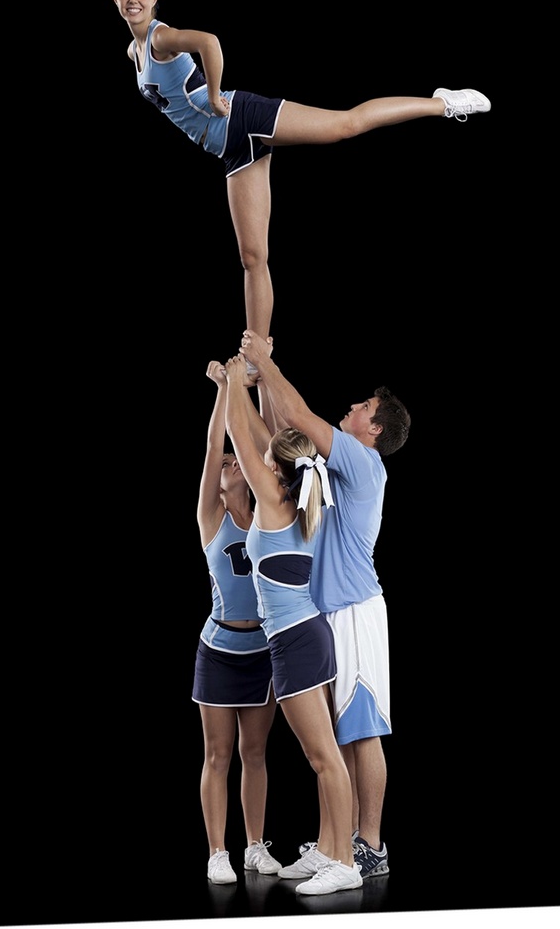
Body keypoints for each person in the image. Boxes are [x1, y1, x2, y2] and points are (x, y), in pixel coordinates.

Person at [112, 0, 491, 342]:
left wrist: (213, 94)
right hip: (229, 150)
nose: (133, 0)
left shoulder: (160, 39)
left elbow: (209, 42)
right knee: (252, 258)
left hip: (241, 117)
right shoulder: (134, 52)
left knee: (345, 125)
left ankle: (443, 103)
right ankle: (256, 358)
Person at [238, 329, 411, 882]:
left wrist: (265, 362)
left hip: (355, 611)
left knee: (362, 730)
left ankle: (369, 847)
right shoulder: (333, 468)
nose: (354, 407)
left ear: (375, 429)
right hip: (326, 615)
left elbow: (301, 415)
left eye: (364, 407)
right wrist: (261, 377)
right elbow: (285, 431)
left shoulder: (362, 461)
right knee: (336, 737)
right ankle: (337, 842)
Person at [222, 353, 363, 896]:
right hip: (300, 640)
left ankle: (345, 861)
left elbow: (243, 432)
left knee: (323, 757)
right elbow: (269, 437)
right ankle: (332, 850)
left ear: (273, 466)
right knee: (323, 755)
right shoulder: (303, 496)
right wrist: (256, 380)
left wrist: (236, 379)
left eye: (265, 458)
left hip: (299, 642)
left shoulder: (280, 503)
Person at [193, 360, 283, 886]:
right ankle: (216, 852)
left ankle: (254, 846)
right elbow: (211, 448)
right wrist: (225, 390)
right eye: (227, 464)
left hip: (263, 650)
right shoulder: (213, 519)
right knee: (219, 753)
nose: (231, 461)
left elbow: (264, 446)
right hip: (220, 648)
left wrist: (244, 385)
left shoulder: (269, 514)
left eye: (237, 460)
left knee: (255, 752)